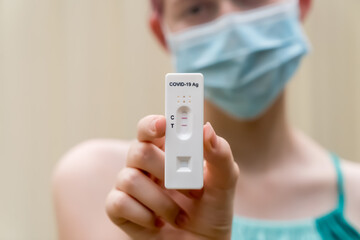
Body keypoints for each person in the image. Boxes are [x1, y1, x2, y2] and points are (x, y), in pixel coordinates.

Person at [53, 0, 360, 239]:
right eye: (196, 7)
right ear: (163, 33)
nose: (230, 25)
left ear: (300, 5)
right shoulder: (108, 189)